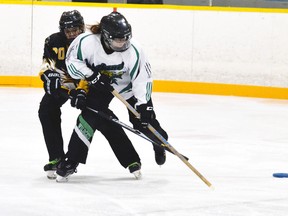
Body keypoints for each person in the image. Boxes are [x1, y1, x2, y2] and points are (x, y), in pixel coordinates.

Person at [55, 11, 168, 182]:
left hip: (128, 88)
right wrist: (92, 76)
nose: (123, 43)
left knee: (144, 122)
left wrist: (144, 105)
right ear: (106, 37)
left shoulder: (135, 50)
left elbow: (142, 78)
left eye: (125, 38)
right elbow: (72, 64)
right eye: (118, 39)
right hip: (101, 85)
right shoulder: (86, 42)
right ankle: (72, 160)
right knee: (89, 116)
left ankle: (159, 143)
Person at [38, 10, 85, 179]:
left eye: (75, 29)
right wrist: (48, 75)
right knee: (46, 110)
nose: (72, 33)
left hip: (85, 87)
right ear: (62, 30)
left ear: (82, 28)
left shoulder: (88, 43)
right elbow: (47, 64)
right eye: (68, 30)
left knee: (96, 118)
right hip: (64, 86)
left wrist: (81, 90)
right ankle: (56, 157)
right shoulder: (53, 41)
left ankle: (130, 158)